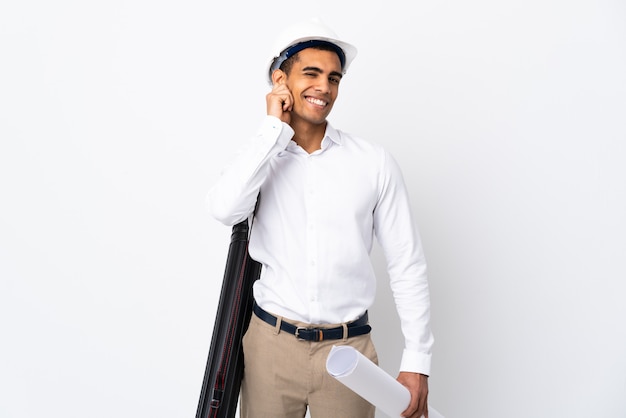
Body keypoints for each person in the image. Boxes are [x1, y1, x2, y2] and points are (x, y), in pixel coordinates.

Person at [206, 18, 433, 418]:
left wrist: (417, 360)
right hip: (270, 347)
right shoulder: (260, 159)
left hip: (350, 354)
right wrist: (272, 130)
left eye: (334, 78)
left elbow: (407, 264)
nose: (324, 87)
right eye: (311, 73)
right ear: (281, 80)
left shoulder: (373, 163)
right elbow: (224, 209)